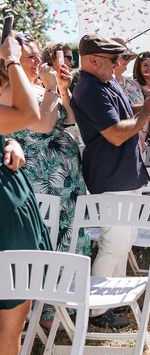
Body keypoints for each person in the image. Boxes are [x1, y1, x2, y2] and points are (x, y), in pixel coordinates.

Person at [71, 34, 150, 329]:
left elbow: (130, 114)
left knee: (125, 239)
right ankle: (95, 310)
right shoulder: (89, 90)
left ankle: (111, 300)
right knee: (114, 242)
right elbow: (116, 133)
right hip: (110, 175)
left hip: (126, 173)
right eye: (113, 59)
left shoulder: (107, 83)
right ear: (91, 61)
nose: (119, 64)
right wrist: (149, 111)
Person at [0, 36, 90, 260]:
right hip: (41, 178)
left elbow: (69, 118)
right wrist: (51, 88)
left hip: (64, 179)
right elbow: (43, 125)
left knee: (69, 234)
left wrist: (61, 87)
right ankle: (51, 289)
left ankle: (69, 287)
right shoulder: (11, 91)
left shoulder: (38, 87)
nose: (38, 61)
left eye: (37, 55)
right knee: (50, 238)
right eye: (30, 57)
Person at [0, 31, 51, 355]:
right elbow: (30, 113)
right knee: (10, 320)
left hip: (12, 205)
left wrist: (10, 139)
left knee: (12, 318)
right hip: (7, 214)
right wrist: (12, 58)